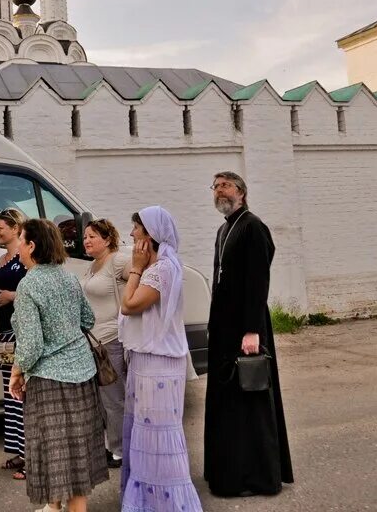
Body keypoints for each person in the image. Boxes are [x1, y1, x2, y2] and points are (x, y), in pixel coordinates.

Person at [9, 218, 108, 512]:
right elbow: (87, 320)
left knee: (54, 451)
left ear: (32, 246)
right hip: (82, 373)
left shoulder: (28, 286)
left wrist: (16, 372)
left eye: (21, 242)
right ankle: (55, 507)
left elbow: (31, 345)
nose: (18, 250)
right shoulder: (68, 277)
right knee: (76, 449)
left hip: (49, 378)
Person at [204, 171, 293, 497]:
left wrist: (252, 330)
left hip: (246, 329)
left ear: (241, 191)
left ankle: (259, 476)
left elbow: (258, 282)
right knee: (228, 403)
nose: (218, 192)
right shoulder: (224, 229)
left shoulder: (253, 226)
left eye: (225, 186)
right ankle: (229, 472)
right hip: (225, 329)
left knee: (250, 400)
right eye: (215, 187)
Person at [118, 207, 202, 512]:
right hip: (144, 359)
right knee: (142, 433)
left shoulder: (163, 269)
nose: (131, 235)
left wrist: (137, 268)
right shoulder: (157, 268)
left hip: (160, 363)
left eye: (136, 229)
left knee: (158, 437)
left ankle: (167, 504)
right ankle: (144, 500)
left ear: (150, 235)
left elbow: (129, 305)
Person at [80, 218, 130, 469]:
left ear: (108, 239)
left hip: (111, 340)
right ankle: (109, 445)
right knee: (100, 400)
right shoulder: (92, 266)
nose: (86, 240)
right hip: (93, 342)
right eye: (85, 236)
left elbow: (141, 281)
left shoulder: (118, 261)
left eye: (92, 236)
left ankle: (120, 450)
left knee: (114, 398)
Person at [0, 208, 29, 480]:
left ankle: (31, 456)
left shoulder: (25, 258)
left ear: (15, 228)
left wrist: (14, 295)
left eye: (0, 227)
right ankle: (19, 450)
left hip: (21, 331)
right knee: (10, 394)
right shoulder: (2, 259)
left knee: (21, 392)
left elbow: (36, 288)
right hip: (5, 334)